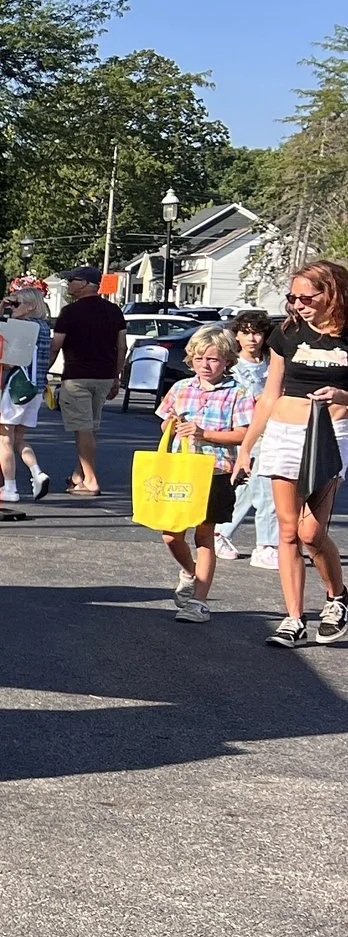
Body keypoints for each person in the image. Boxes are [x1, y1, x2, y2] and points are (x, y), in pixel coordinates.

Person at [235, 260, 348, 647]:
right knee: (287, 531)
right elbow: (270, 394)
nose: (298, 304)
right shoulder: (287, 334)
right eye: (292, 297)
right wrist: (247, 447)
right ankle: (293, 617)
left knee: (311, 532)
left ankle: (337, 596)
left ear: (331, 292)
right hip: (284, 432)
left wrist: (342, 395)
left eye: (306, 297)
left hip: (332, 435)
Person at [155, 326, 249, 623]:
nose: (205, 365)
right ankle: (190, 572)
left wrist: (204, 434)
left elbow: (244, 434)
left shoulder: (238, 392)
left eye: (213, 359)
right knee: (171, 535)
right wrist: (171, 425)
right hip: (180, 469)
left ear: (227, 361)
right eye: (198, 359)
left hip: (215, 470)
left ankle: (199, 601)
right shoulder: (181, 388)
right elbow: (163, 424)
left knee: (205, 534)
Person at [51, 265, 126, 495]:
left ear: (84, 284)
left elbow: (56, 346)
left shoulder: (69, 313)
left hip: (77, 377)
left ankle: (91, 481)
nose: (68, 284)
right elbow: (122, 346)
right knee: (91, 428)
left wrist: (42, 370)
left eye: (72, 280)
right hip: (104, 376)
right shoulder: (114, 311)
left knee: (82, 428)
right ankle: (79, 475)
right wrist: (116, 376)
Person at [215, 309, 280, 569]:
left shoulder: (271, 362)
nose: (252, 338)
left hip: (274, 430)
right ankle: (266, 545)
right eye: (246, 332)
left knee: (248, 488)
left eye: (258, 332)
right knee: (265, 489)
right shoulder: (234, 367)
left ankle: (221, 532)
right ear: (237, 335)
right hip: (249, 433)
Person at [0, 282, 52, 502]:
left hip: (18, 388)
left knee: (5, 438)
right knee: (19, 438)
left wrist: (1, 312)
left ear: (30, 306)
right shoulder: (44, 327)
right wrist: (6, 310)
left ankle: (10, 488)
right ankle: (37, 472)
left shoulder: (25, 328)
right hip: (36, 389)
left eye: (17, 303)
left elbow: (8, 360)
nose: (13, 307)